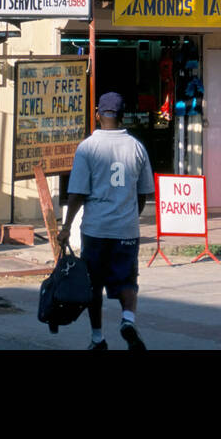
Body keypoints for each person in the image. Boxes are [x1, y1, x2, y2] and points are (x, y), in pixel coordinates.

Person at [58, 91, 155, 351]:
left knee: (94, 285)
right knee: (127, 280)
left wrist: (66, 227)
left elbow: (77, 193)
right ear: (123, 116)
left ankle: (98, 338)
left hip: (96, 229)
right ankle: (128, 319)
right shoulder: (136, 147)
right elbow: (144, 193)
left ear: (98, 114)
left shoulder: (88, 147)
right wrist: (130, 216)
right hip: (126, 229)